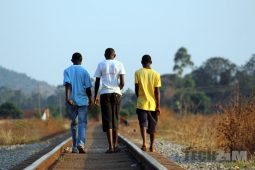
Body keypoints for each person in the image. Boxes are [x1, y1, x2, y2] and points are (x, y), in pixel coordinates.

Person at [94, 48, 125, 153]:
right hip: (116, 93)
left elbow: (97, 82)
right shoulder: (119, 64)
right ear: (114, 55)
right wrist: (118, 89)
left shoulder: (101, 64)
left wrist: (95, 96)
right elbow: (122, 82)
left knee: (108, 120)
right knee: (115, 119)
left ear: (104, 55)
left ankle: (110, 147)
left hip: (104, 94)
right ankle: (116, 146)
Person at [63, 52, 92, 154]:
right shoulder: (85, 71)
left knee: (74, 123)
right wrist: (91, 99)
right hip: (83, 101)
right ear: (81, 60)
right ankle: (81, 143)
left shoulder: (67, 71)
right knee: (82, 123)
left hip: (72, 101)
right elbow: (88, 88)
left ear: (72, 60)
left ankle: (75, 147)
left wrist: (67, 98)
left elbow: (67, 85)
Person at [135, 55, 161, 152]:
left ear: (141, 62)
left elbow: (136, 89)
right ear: (151, 62)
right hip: (153, 104)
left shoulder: (138, 73)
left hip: (141, 103)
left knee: (143, 124)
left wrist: (139, 98)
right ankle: (152, 146)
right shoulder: (156, 74)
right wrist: (158, 106)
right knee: (153, 125)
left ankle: (144, 143)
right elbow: (157, 92)